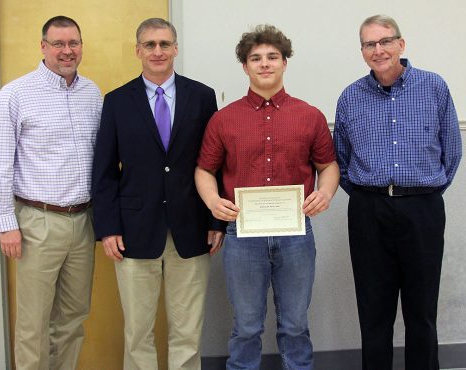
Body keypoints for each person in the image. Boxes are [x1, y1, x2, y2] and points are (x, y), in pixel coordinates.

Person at [195, 25, 339, 370]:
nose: (264, 64)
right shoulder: (223, 119)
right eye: (255, 58)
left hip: (295, 235)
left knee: (295, 324)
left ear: (285, 62)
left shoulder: (310, 116)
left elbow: (328, 165)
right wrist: (214, 202)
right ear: (245, 67)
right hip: (243, 238)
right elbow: (204, 170)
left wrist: (326, 192)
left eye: (272, 57)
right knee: (246, 326)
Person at [91, 18, 222, 370]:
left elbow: (214, 163)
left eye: (164, 44)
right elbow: (103, 172)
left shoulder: (202, 96)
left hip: (192, 228)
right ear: (138, 51)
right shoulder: (117, 101)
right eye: (149, 45)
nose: (158, 51)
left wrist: (216, 221)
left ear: (176, 48)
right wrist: (107, 228)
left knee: (187, 330)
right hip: (133, 232)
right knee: (137, 331)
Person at [333, 14, 462, 370]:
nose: (379, 50)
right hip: (368, 210)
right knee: (374, 310)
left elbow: (451, 150)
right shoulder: (350, 97)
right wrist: (366, 195)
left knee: (422, 310)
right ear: (362, 51)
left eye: (385, 41)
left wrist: (422, 191)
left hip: (422, 208)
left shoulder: (434, 87)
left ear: (401, 44)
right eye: (370, 44)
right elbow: (340, 159)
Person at [0, 15, 102, 370]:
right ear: (43, 47)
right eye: (58, 44)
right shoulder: (16, 94)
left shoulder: (92, 93)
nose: (67, 51)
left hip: (84, 223)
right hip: (38, 223)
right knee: (33, 323)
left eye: (73, 44)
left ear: (81, 46)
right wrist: (7, 224)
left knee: (72, 318)